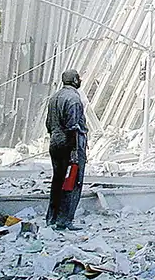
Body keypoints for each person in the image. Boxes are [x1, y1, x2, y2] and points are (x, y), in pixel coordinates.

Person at [45, 68, 87, 230]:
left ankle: (52, 218)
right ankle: (65, 220)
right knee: (72, 181)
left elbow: (48, 124)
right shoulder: (74, 99)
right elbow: (73, 127)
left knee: (57, 181)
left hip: (54, 143)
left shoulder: (54, 97)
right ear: (75, 80)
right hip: (70, 145)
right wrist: (74, 152)